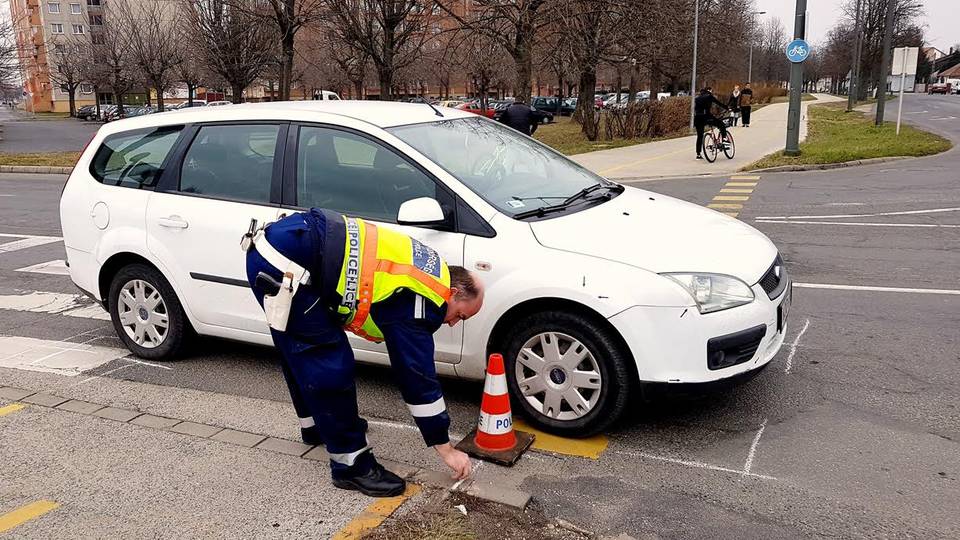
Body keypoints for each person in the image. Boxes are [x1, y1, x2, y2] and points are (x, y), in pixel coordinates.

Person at [243, 209, 484, 497]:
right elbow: (417, 377)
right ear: (454, 292)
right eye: (460, 315)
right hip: (286, 263)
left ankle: (317, 428)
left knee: (300, 349)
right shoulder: (423, 301)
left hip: (284, 246)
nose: (453, 322)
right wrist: (446, 449)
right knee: (330, 363)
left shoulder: (430, 269)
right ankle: (351, 465)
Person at [693, 87, 729, 160]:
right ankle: (724, 138)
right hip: (707, 117)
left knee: (700, 136)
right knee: (721, 124)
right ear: (709, 91)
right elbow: (718, 103)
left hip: (697, 118)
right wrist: (727, 108)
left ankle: (698, 154)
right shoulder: (709, 96)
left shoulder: (697, 98)